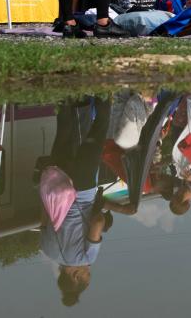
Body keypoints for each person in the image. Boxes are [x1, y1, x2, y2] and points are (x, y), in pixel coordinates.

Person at [41, 97, 136, 307]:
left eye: (86, 275)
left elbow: (98, 222)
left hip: (82, 190)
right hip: (57, 184)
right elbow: (46, 215)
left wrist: (108, 215)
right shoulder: (47, 250)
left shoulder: (85, 258)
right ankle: (61, 93)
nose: (88, 270)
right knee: (64, 132)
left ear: (75, 276)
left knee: (98, 133)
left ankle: (104, 93)